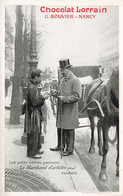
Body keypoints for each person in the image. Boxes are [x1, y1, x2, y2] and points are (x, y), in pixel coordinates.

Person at [50, 59, 81, 156]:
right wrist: (55, 94)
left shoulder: (75, 80)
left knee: (69, 129)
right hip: (62, 109)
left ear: (68, 68)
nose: (61, 71)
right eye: (60, 69)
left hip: (70, 110)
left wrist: (64, 98)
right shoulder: (63, 79)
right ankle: (60, 146)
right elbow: (62, 92)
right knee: (60, 127)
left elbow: (77, 96)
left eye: (63, 69)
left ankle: (69, 149)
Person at [25, 69, 50, 159]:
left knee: (37, 132)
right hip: (33, 114)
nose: (41, 80)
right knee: (34, 132)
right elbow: (34, 102)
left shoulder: (33, 86)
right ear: (36, 77)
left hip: (35, 113)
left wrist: (42, 97)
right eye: (40, 77)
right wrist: (43, 98)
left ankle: (36, 149)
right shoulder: (33, 88)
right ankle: (32, 153)